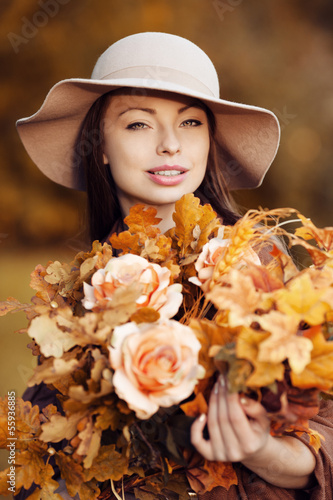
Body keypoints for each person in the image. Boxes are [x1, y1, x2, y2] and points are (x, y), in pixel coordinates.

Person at [15, 32, 333, 500]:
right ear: (99, 145)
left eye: (190, 123)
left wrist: (261, 450)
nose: (169, 145)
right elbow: (41, 462)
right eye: (139, 124)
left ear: (210, 140)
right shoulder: (73, 307)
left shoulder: (273, 268)